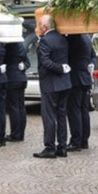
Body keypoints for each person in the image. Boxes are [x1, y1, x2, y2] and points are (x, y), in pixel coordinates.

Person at [33, 15, 72, 159]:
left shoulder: (45, 41)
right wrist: (63, 68)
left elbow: (45, 62)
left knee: (49, 116)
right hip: (64, 83)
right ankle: (62, 147)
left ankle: (49, 147)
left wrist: (60, 68)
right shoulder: (63, 38)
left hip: (50, 83)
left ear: (44, 27)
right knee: (61, 116)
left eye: (39, 26)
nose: (38, 29)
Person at [66, 34, 96, 152]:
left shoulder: (72, 38)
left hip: (75, 79)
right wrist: (91, 64)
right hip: (85, 78)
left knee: (75, 111)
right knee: (83, 111)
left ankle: (76, 141)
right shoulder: (86, 37)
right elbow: (93, 56)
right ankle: (84, 140)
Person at [4, 40, 30, 142]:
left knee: (14, 107)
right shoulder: (21, 46)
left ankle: (15, 134)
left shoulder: (9, 46)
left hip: (13, 79)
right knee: (21, 107)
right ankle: (20, 134)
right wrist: (23, 66)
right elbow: (27, 62)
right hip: (21, 78)